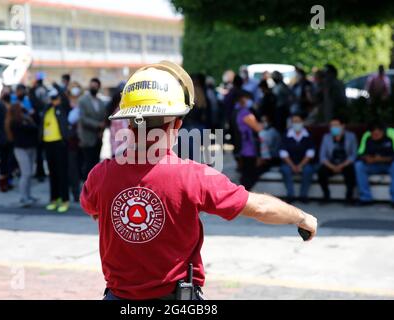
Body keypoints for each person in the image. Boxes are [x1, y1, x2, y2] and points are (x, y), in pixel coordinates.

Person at [80, 61, 317, 301]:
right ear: (177, 125)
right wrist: (301, 217)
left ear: (129, 124)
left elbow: (94, 211)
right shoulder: (194, 176)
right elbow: (260, 208)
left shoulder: (100, 175)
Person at [40, 89, 70, 213]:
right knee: (52, 173)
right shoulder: (47, 109)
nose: (54, 100)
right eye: (52, 98)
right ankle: (54, 199)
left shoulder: (62, 108)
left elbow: (65, 99)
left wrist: (57, 88)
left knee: (61, 173)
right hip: (48, 144)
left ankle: (65, 200)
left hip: (59, 143)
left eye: (55, 98)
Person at [6, 103, 39, 207]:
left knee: (29, 174)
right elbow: (31, 128)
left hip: (30, 148)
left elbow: (34, 127)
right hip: (21, 149)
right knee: (26, 173)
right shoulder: (15, 122)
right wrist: (28, 119)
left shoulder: (24, 119)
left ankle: (28, 196)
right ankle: (23, 197)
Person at [317, 116, 357, 203]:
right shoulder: (326, 137)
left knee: (351, 171)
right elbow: (322, 156)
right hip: (331, 163)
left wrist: (342, 165)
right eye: (331, 125)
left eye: (336, 125)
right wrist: (332, 166)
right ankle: (326, 195)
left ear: (343, 126)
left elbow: (353, 155)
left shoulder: (351, 136)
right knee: (321, 171)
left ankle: (349, 197)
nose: (333, 128)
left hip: (345, 163)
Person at [355, 122, 394, 207]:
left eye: (377, 133)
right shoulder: (368, 139)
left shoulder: (389, 139)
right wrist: (367, 158)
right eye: (373, 133)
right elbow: (360, 154)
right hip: (373, 166)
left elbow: (392, 156)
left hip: (388, 165)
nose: (375, 135)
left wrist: (381, 159)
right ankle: (365, 198)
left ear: (382, 132)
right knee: (359, 165)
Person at [279, 114, 316, 203]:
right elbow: (283, 153)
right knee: (285, 170)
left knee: (308, 170)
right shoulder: (286, 135)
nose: (296, 124)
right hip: (288, 163)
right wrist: (292, 166)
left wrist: (300, 165)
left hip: (304, 163)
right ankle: (290, 195)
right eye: (294, 122)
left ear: (302, 122)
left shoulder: (308, 135)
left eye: (298, 121)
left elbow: (310, 153)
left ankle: (303, 195)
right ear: (291, 123)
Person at [78, 78, 107, 180]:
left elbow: (104, 118)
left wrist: (101, 130)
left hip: (98, 138)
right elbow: (83, 119)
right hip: (87, 138)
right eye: (92, 85)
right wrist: (98, 125)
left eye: (95, 86)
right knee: (87, 164)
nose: (93, 87)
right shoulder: (83, 101)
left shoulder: (101, 102)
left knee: (96, 164)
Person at [235, 90, 262, 190]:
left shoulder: (237, 111)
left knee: (245, 175)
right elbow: (258, 128)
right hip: (248, 148)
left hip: (242, 147)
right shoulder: (245, 113)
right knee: (249, 176)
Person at [0, 86, 15, 192]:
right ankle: (3, 183)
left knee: (9, 161)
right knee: (4, 161)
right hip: (3, 140)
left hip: (10, 139)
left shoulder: (10, 106)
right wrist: (1, 138)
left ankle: (8, 181)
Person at [67, 82, 84, 202]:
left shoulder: (82, 102)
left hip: (82, 141)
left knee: (81, 167)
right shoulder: (66, 104)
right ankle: (75, 192)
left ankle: (83, 191)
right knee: (73, 168)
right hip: (71, 141)